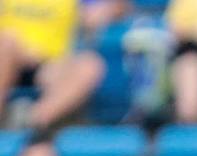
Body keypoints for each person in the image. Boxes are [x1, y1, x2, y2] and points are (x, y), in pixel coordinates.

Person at [0, 0, 113, 130]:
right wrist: (23, 51)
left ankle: (28, 122)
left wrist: (108, 10)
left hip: (49, 65)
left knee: (90, 64)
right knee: (7, 43)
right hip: (6, 57)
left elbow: (98, 14)